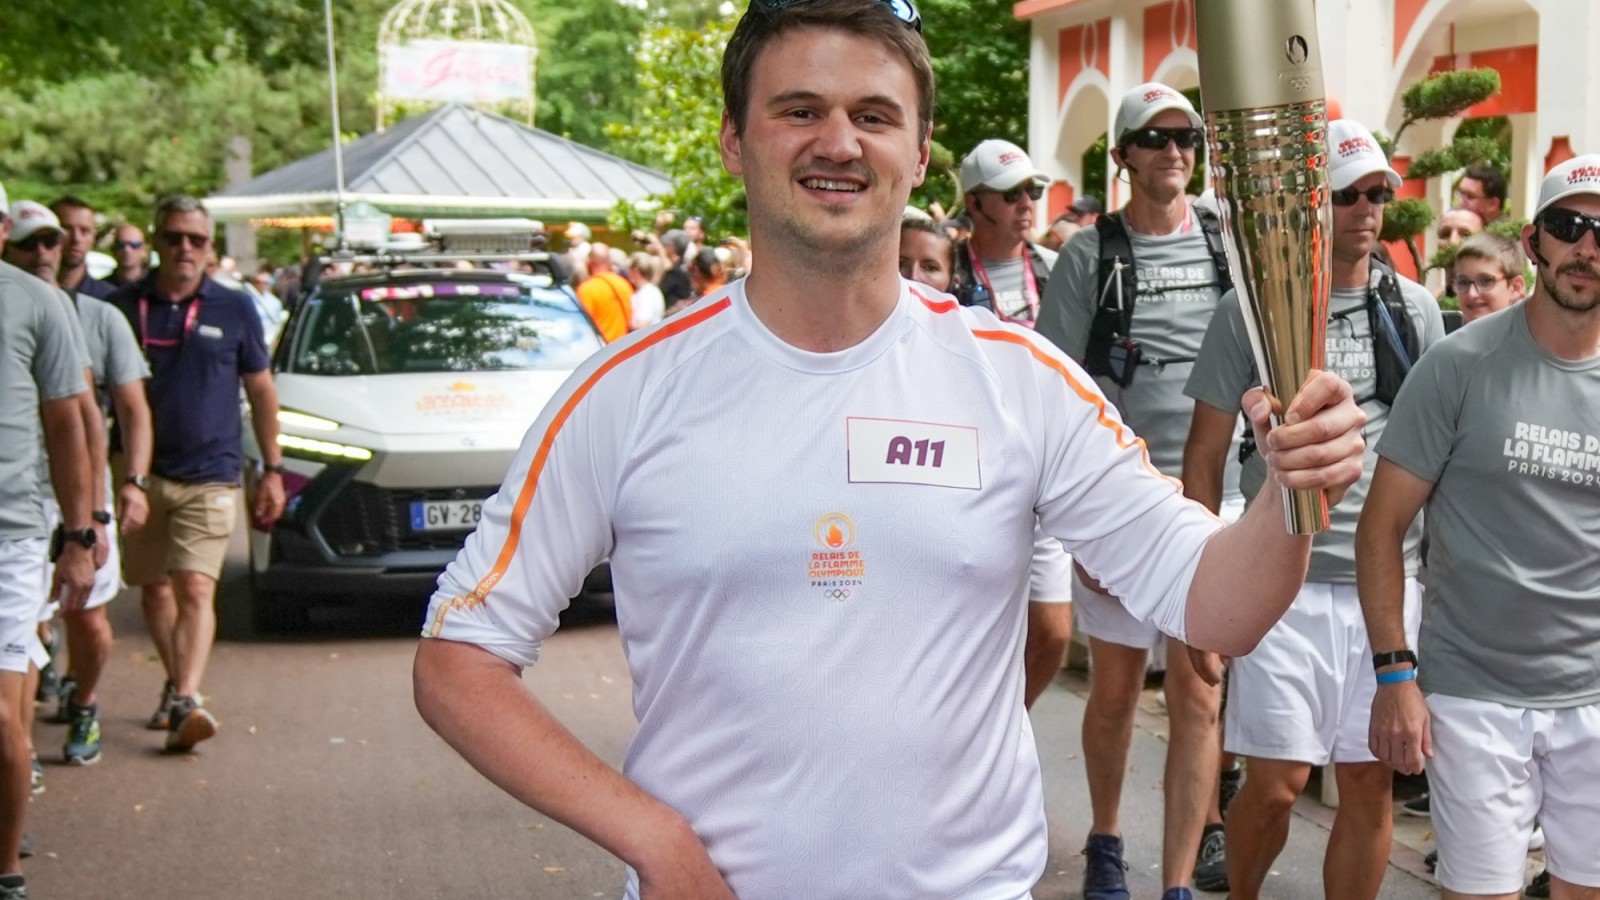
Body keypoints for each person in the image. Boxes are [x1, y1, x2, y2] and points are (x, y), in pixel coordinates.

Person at [412, 3, 1368, 898]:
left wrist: (1295, 491)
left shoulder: (1017, 380)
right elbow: (461, 657)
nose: (839, 142)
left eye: (874, 114)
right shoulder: (626, 390)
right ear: (734, 142)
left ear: (917, 152)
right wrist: (650, 838)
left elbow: (1214, 603)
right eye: (799, 110)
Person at [1184, 119, 1446, 900]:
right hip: (1283, 582)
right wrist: (1194, 603)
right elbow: (1204, 453)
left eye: (1378, 194)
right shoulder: (1254, 310)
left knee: (1369, 783)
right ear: (1312, 207)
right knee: (1275, 783)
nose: (1366, 210)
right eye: (1346, 195)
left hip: (1386, 588)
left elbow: (1435, 455)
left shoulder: (1418, 309)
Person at [1361, 154, 1600, 900]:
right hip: (1473, 694)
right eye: (1569, 227)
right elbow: (1381, 529)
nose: (1587, 248)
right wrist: (1396, 674)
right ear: (1533, 242)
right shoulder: (1458, 365)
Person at [1035, 82, 1241, 900]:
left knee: (1200, 685)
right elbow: (1057, 391)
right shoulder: (1091, 254)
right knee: (1117, 687)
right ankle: (1108, 839)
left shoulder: (1226, 241)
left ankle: (1182, 879)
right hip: (1122, 500)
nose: (1175, 151)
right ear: (1121, 156)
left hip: (1214, 499)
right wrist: (1080, 525)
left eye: (1186, 136)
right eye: (1155, 139)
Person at [108, 196, 286, 753]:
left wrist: (273, 468)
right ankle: (175, 683)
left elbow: (261, 391)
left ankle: (187, 696)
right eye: (173, 237)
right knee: (154, 590)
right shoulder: (122, 307)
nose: (185, 248)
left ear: (210, 248)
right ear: (156, 242)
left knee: (193, 586)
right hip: (137, 474)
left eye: (197, 239)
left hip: (211, 470)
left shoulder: (235, 308)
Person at [899, 215, 1073, 707]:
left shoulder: (982, 343)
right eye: (902, 262)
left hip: (1022, 486)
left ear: (949, 277)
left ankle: (1000, 726)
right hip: (937, 517)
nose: (914, 274)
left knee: (1053, 633)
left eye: (929, 265)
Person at [5, 200, 153, 768]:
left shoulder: (95, 316)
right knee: (27, 632)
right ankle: (17, 755)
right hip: (17, 502)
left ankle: (84, 701)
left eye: (57, 239)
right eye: (33, 241)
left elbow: (98, 418)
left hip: (70, 497)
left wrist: (97, 512)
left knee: (86, 614)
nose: (47, 251)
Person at [0, 185, 97, 900]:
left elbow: (70, 425)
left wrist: (80, 535)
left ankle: (5, 872)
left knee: (4, 712)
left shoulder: (38, 303)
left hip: (11, 535)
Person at [950, 139, 1055, 325]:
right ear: (973, 203)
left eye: (1033, 191)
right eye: (1012, 193)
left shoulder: (1056, 268)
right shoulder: (945, 271)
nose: (1027, 204)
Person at [1451, 231, 1528, 326]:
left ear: (1515, 288)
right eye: (1463, 282)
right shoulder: (1452, 340)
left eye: (1485, 281)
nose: (1472, 294)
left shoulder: (1536, 338)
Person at [49, 197, 116, 301]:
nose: (76, 239)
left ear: (94, 237)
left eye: (85, 231)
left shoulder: (110, 298)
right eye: (66, 229)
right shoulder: (26, 292)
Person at [575, 242, 635, 342]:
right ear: (608, 261)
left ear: (589, 261)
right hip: (622, 348)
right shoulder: (624, 284)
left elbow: (582, 326)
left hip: (600, 350)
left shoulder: (587, 289)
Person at [626, 252, 666, 331]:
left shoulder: (647, 293)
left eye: (629, 269)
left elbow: (640, 324)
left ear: (636, 271)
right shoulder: (647, 291)